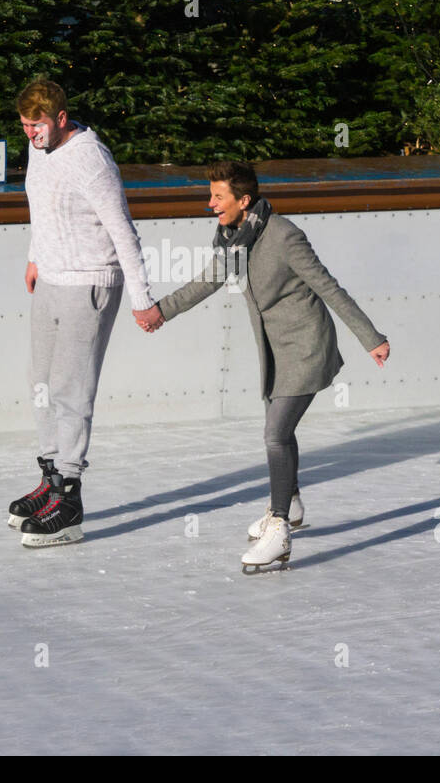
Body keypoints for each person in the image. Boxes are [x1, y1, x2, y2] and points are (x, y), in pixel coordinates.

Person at [141, 161, 390, 573]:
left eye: (218, 197)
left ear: (243, 199)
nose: (211, 204)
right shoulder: (232, 238)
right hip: (274, 350)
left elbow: (328, 286)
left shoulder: (285, 236)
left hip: (306, 346)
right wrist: (160, 312)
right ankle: (289, 504)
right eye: (211, 195)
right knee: (282, 430)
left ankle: (278, 529)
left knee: (275, 433)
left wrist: (371, 338)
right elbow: (209, 281)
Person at [8, 79, 163, 547]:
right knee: (41, 382)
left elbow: (123, 231)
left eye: (37, 126)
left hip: (91, 281)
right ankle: (51, 475)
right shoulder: (41, 149)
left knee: (72, 389)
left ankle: (70, 499)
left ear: (60, 119)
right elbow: (42, 207)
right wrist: (36, 255)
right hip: (52, 278)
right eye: (23, 126)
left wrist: (142, 299)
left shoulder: (91, 159)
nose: (31, 135)